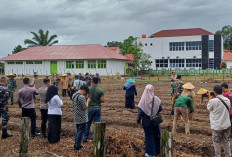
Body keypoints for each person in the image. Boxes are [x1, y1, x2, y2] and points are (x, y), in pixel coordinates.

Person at [137, 84, 162, 157]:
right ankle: (157, 151)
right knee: (156, 136)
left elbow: (140, 112)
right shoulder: (156, 99)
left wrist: (138, 121)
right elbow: (160, 108)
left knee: (149, 137)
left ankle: (150, 153)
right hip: (155, 121)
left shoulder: (143, 100)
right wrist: (154, 110)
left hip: (146, 122)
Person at [208, 85, 231, 157]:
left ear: (214, 92)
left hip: (217, 125)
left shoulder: (213, 101)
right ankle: (228, 155)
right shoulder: (227, 100)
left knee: (216, 142)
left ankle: (218, 156)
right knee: (226, 141)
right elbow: (229, 109)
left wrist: (209, 98)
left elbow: (209, 108)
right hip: (226, 124)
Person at [83, 77, 105, 142]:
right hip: (98, 108)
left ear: (92, 82)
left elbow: (85, 97)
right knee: (97, 123)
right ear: (98, 82)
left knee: (87, 123)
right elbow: (102, 100)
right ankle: (95, 138)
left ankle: (85, 137)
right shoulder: (100, 90)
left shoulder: (88, 89)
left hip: (90, 108)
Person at [72, 84, 90, 150]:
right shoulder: (81, 97)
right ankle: (78, 146)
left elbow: (79, 103)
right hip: (81, 116)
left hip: (76, 115)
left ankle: (75, 144)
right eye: (86, 92)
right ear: (84, 90)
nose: (86, 93)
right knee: (80, 131)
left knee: (78, 130)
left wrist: (85, 98)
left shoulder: (74, 95)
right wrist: (87, 101)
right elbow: (85, 107)